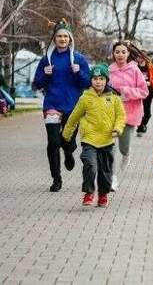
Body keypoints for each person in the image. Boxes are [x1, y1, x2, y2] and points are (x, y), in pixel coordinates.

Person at [33, 19, 91, 192]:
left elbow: (88, 83)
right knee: (53, 142)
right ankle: (56, 179)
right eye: (59, 36)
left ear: (70, 39)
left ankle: (68, 151)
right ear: (54, 38)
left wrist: (78, 72)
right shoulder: (47, 59)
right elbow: (37, 84)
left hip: (73, 106)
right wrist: (45, 75)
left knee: (67, 141)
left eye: (65, 36)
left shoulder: (79, 59)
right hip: (52, 104)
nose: (62, 39)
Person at [62, 64, 126, 207]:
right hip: (89, 139)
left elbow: (121, 116)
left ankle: (103, 195)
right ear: (91, 80)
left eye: (101, 78)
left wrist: (117, 129)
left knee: (105, 170)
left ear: (106, 80)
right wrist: (66, 134)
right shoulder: (85, 98)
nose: (98, 82)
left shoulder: (114, 98)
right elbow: (73, 117)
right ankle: (89, 192)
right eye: (95, 79)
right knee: (90, 165)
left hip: (107, 140)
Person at [108, 41, 149, 191]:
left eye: (123, 52)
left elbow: (144, 92)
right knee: (110, 147)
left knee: (123, 147)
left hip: (129, 114)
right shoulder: (109, 70)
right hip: (112, 113)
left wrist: (127, 92)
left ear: (128, 54)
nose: (120, 55)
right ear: (113, 54)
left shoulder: (134, 70)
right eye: (117, 52)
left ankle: (126, 154)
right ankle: (112, 178)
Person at [136, 53, 153, 136]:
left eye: (142, 56)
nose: (140, 58)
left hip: (149, 92)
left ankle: (142, 125)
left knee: (147, 113)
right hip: (137, 92)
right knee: (138, 111)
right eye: (139, 56)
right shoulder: (134, 67)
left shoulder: (151, 67)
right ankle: (140, 127)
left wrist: (150, 83)